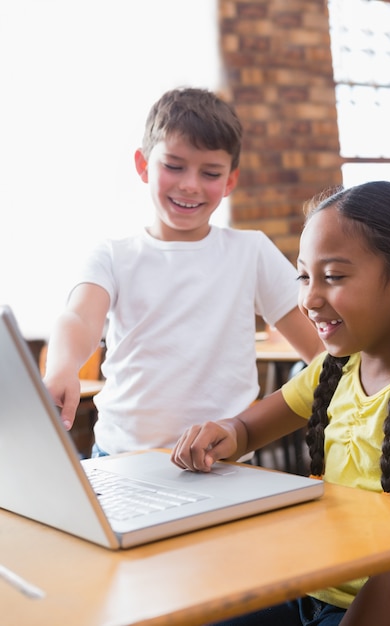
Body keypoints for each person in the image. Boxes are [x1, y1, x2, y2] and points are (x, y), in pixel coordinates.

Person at [171, 180, 390, 626]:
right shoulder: (333, 369)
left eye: (334, 277)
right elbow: (247, 429)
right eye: (304, 275)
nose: (309, 299)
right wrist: (225, 433)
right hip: (306, 588)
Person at [43, 86, 321, 456]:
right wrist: (63, 366)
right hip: (122, 457)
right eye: (174, 166)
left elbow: (319, 346)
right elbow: (78, 318)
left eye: (210, 172)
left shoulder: (250, 251)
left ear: (230, 181)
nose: (190, 184)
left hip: (224, 463)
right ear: (143, 165)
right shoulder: (114, 254)